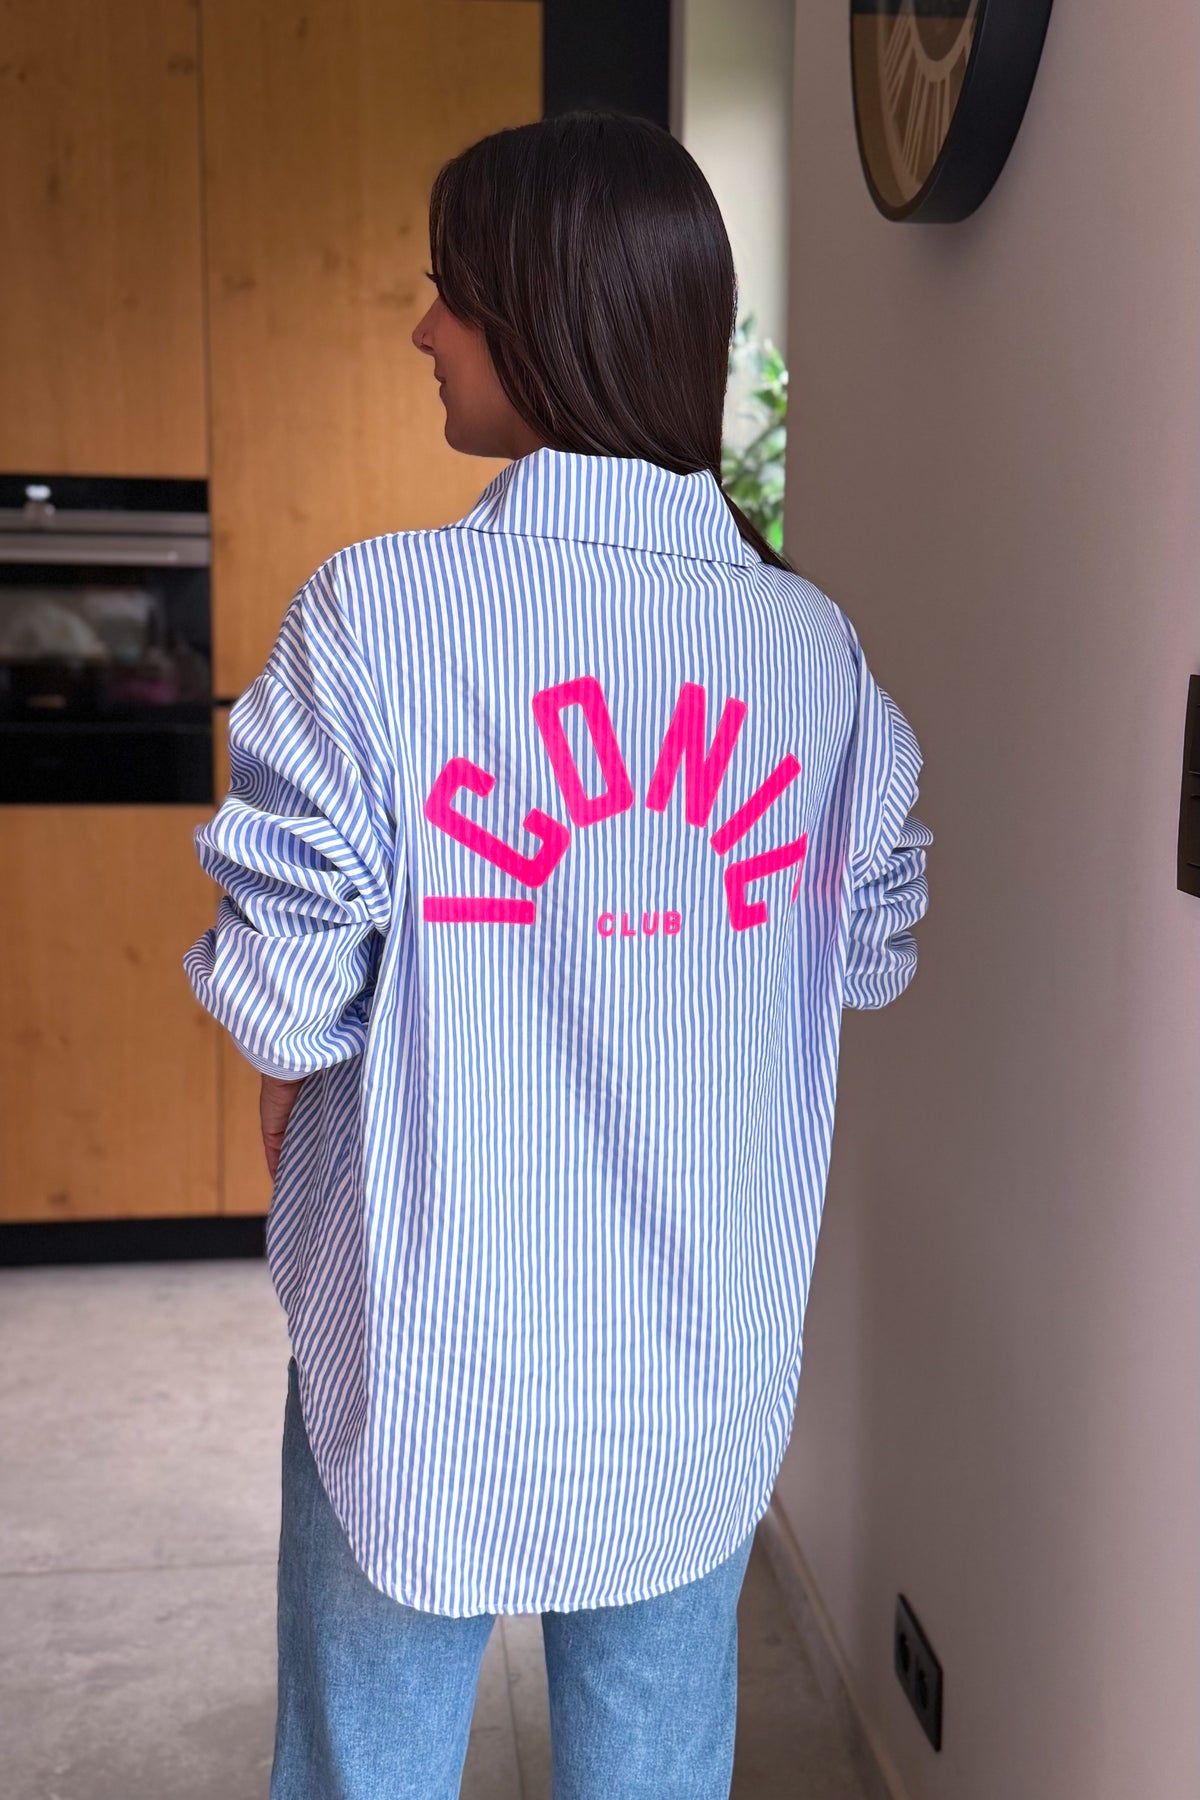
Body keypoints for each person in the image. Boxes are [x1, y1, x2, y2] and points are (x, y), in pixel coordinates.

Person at [183, 105, 931, 1800]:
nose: (423, 330)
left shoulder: (380, 617)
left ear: (545, 316)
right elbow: (869, 952)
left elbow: (288, 992)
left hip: (426, 1342)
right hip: (694, 1352)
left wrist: (299, 1076)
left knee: (366, 1767)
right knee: (655, 1767)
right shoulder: (808, 650)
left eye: (447, 291)